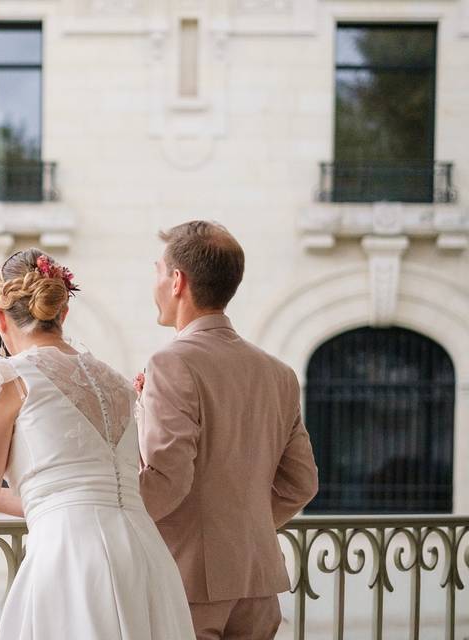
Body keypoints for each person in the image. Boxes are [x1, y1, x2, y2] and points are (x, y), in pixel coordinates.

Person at [0, 248, 194, 639]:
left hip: (72, 559)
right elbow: (67, 492)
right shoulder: (118, 384)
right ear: (63, 313)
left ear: (0, 319)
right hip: (145, 554)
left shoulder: (6, 377)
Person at [137, 221, 319, 640]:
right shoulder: (279, 373)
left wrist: (111, 518)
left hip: (188, 581)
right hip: (259, 580)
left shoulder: (170, 363)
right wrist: (241, 526)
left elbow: (167, 481)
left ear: (177, 281)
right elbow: (301, 484)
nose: (156, 284)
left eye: (157, 271)